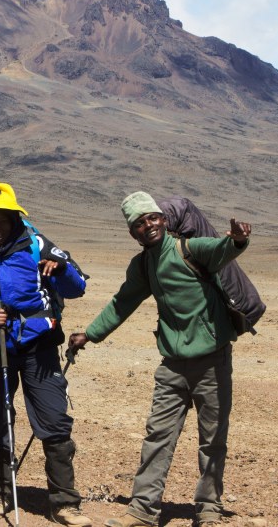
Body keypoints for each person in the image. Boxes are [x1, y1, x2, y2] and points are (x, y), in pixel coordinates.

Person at [68, 191, 252, 527]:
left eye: (152, 218)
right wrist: (90, 334)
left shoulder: (188, 249)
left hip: (212, 361)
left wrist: (237, 241)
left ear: (164, 221)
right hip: (172, 365)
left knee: (212, 440)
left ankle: (209, 509)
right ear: (132, 233)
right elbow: (122, 302)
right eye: (139, 223)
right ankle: (142, 510)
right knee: (158, 436)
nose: (148, 225)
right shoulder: (142, 266)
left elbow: (220, 250)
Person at [0, 183, 93, 526]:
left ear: (16, 219)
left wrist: (60, 270)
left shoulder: (38, 246)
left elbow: (78, 286)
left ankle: (64, 502)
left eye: (4, 220)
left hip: (40, 346)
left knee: (54, 420)